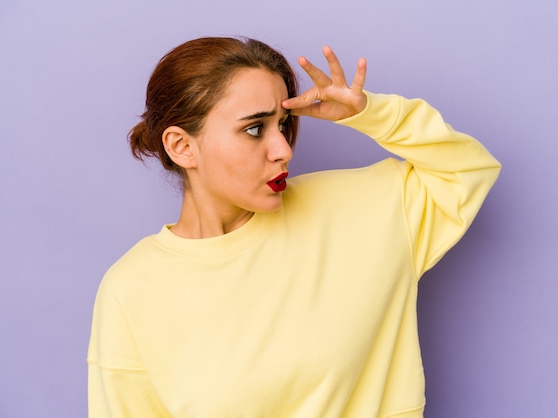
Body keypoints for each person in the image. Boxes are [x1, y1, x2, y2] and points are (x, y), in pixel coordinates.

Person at [87, 36, 501, 418]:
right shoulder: (132, 288)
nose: (284, 149)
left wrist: (369, 115)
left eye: (283, 124)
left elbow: (467, 172)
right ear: (182, 146)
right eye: (254, 129)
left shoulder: (365, 211)